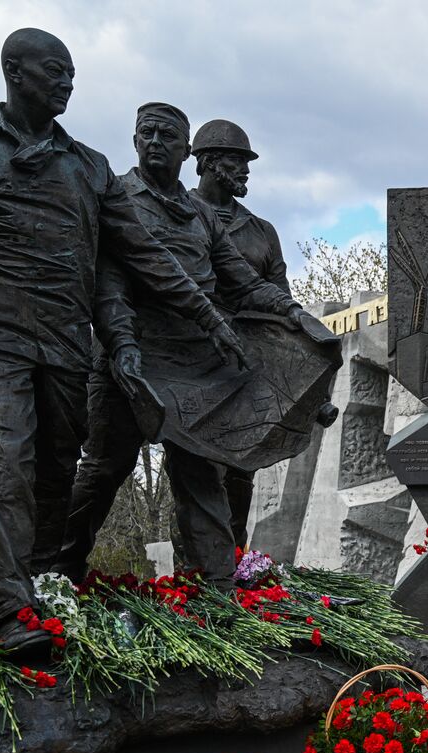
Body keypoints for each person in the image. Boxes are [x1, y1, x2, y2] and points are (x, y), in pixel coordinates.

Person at [0, 29, 243, 651]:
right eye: (54, 71)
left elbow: (140, 256)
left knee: (55, 474)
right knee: (6, 459)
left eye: (71, 74)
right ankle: (10, 610)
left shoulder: (90, 167)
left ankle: (43, 587)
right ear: (14, 71)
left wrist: (209, 318)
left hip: (65, 343)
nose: (67, 83)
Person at [55, 102, 309, 587]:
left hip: (195, 370)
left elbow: (243, 282)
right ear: (133, 141)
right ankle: (56, 573)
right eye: (145, 133)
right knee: (106, 469)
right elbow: (108, 284)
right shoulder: (117, 197)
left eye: (166, 136)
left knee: (200, 477)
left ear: (184, 150)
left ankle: (217, 586)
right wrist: (121, 346)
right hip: (127, 362)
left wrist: (293, 313)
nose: (154, 142)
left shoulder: (200, 216)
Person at [189, 119, 291, 549]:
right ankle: (196, 575)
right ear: (209, 163)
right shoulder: (182, 213)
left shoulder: (262, 231)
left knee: (241, 472)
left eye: (247, 162)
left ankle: (233, 566)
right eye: (237, 161)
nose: (246, 170)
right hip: (192, 362)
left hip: (245, 367)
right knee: (198, 473)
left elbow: (280, 296)